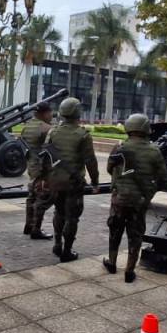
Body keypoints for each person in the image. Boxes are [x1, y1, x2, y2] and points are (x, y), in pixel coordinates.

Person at [103, 114, 167, 283]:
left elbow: (110, 168)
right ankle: (129, 271)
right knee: (135, 235)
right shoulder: (154, 151)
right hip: (139, 201)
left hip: (119, 199)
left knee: (115, 231)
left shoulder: (119, 147)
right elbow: (163, 177)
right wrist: (150, 191)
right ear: (146, 129)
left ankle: (112, 262)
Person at [44, 97, 99, 262]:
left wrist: (44, 178)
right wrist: (95, 181)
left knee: (58, 212)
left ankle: (57, 244)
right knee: (72, 217)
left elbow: (45, 156)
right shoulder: (83, 135)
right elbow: (90, 161)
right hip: (73, 183)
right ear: (78, 112)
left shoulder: (53, 132)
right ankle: (67, 251)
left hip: (55, 181)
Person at [20, 102, 55, 240]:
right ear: (44, 113)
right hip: (43, 169)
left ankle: (28, 225)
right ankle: (36, 229)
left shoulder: (27, 127)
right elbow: (53, 150)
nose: (51, 115)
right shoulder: (46, 128)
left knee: (32, 196)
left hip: (32, 166)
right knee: (44, 197)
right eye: (50, 113)